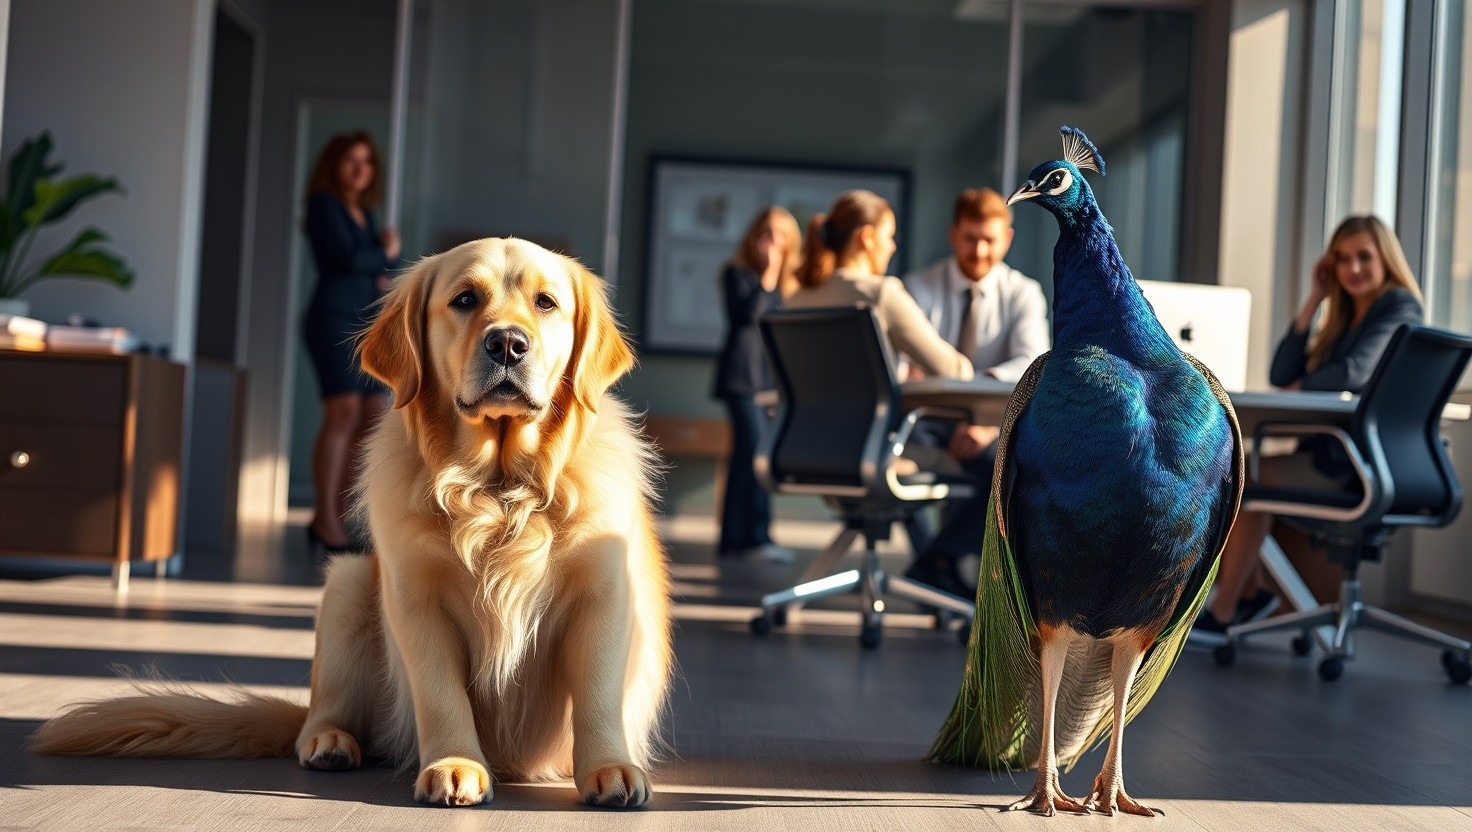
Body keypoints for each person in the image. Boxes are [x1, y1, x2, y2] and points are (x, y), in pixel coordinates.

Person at [1196, 215, 1424, 637]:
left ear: (1386, 259)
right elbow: (1281, 373)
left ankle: (1225, 611)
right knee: (1233, 472)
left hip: (1359, 463)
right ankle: (1250, 595)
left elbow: (1354, 372)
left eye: (1364, 257)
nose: (1353, 268)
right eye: (1342, 259)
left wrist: (1301, 385)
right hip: (1336, 455)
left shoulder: (1399, 306)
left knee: (1241, 477)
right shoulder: (1344, 319)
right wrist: (1314, 300)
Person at [900, 188, 1050, 596]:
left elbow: (1032, 365)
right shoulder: (917, 288)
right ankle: (936, 568)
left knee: (1013, 464)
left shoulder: (1022, 292)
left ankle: (936, 563)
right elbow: (902, 369)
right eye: (970, 238)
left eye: (989, 239)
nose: (980, 250)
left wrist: (984, 419)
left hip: (991, 423)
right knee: (904, 455)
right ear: (953, 235)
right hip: (927, 420)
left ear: (1008, 239)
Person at [301, 131, 401, 553]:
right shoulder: (324, 204)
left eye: (367, 161)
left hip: (365, 324)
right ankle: (326, 521)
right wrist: (387, 252)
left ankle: (339, 516)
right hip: (332, 319)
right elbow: (349, 259)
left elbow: (372, 268)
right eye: (350, 160)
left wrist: (382, 265)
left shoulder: (365, 213)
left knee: (372, 414)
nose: (360, 169)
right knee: (342, 413)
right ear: (334, 165)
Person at [786, 189, 973, 380]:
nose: (892, 246)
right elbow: (952, 369)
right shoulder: (881, 293)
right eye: (888, 236)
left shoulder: (796, 299)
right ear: (866, 237)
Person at [712, 207, 802, 562]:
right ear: (754, 236)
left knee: (748, 458)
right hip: (741, 380)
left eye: (781, 235)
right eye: (767, 233)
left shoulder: (790, 287)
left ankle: (735, 540)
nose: (773, 242)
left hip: (770, 384)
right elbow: (747, 315)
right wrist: (769, 272)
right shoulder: (738, 274)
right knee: (755, 453)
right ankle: (755, 538)